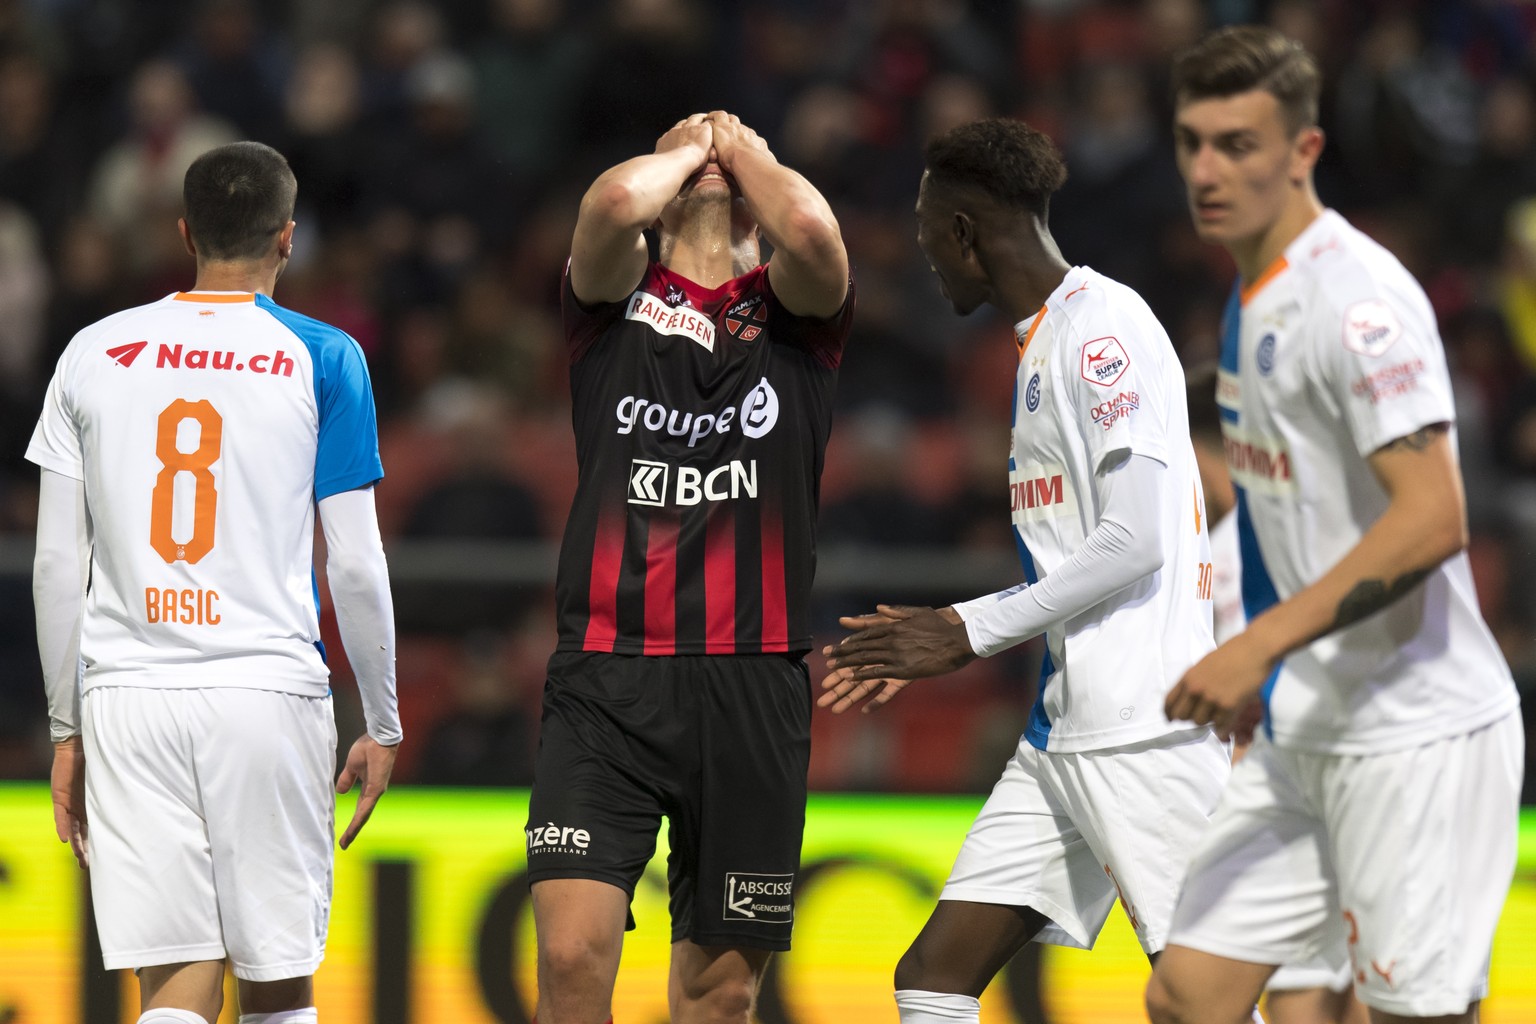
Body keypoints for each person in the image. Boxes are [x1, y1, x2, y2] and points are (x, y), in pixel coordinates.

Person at [1149, 26, 1523, 1024]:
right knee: (1189, 994)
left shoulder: (1356, 300)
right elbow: (1288, 515)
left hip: (1414, 733)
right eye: (1192, 141)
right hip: (1305, 717)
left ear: (1304, 151)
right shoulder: (1248, 297)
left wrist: (1253, 647)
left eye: (1238, 143)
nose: (1207, 169)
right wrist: (1263, 670)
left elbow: (1435, 518)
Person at [820, 117, 1230, 1024]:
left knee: (1208, 1001)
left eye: (931, 232)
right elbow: (1083, 556)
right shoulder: (1042, 341)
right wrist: (951, 630)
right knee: (932, 979)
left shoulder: (1103, 332)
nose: (926, 256)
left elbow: (1136, 542)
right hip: (1064, 732)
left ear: (963, 230)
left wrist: (964, 631)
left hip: (1141, 732)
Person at [30, 141, 400, 1024]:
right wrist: (382, 720)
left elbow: (54, 563)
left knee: (174, 988)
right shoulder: (325, 356)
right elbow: (352, 559)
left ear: (185, 232)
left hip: (130, 694)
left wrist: (65, 726)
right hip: (263, 691)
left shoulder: (94, 350)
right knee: (276, 985)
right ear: (288, 238)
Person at [526, 110, 852, 1024]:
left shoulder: (797, 319)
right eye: (691, 150)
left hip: (753, 684)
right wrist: (695, 152)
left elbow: (816, 233)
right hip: (605, 676)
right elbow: (613, 201)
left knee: (718, 996)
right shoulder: (609, 302)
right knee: (570, 950)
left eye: (731, 155)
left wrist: (740, 153)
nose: (714, 152)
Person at [1186, 363, 1367, 1024]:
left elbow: (1251, 693)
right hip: (1346, 778)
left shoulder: (1234, 549)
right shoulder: (1316, 523)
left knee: (1298, 1000)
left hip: (1298, 792)